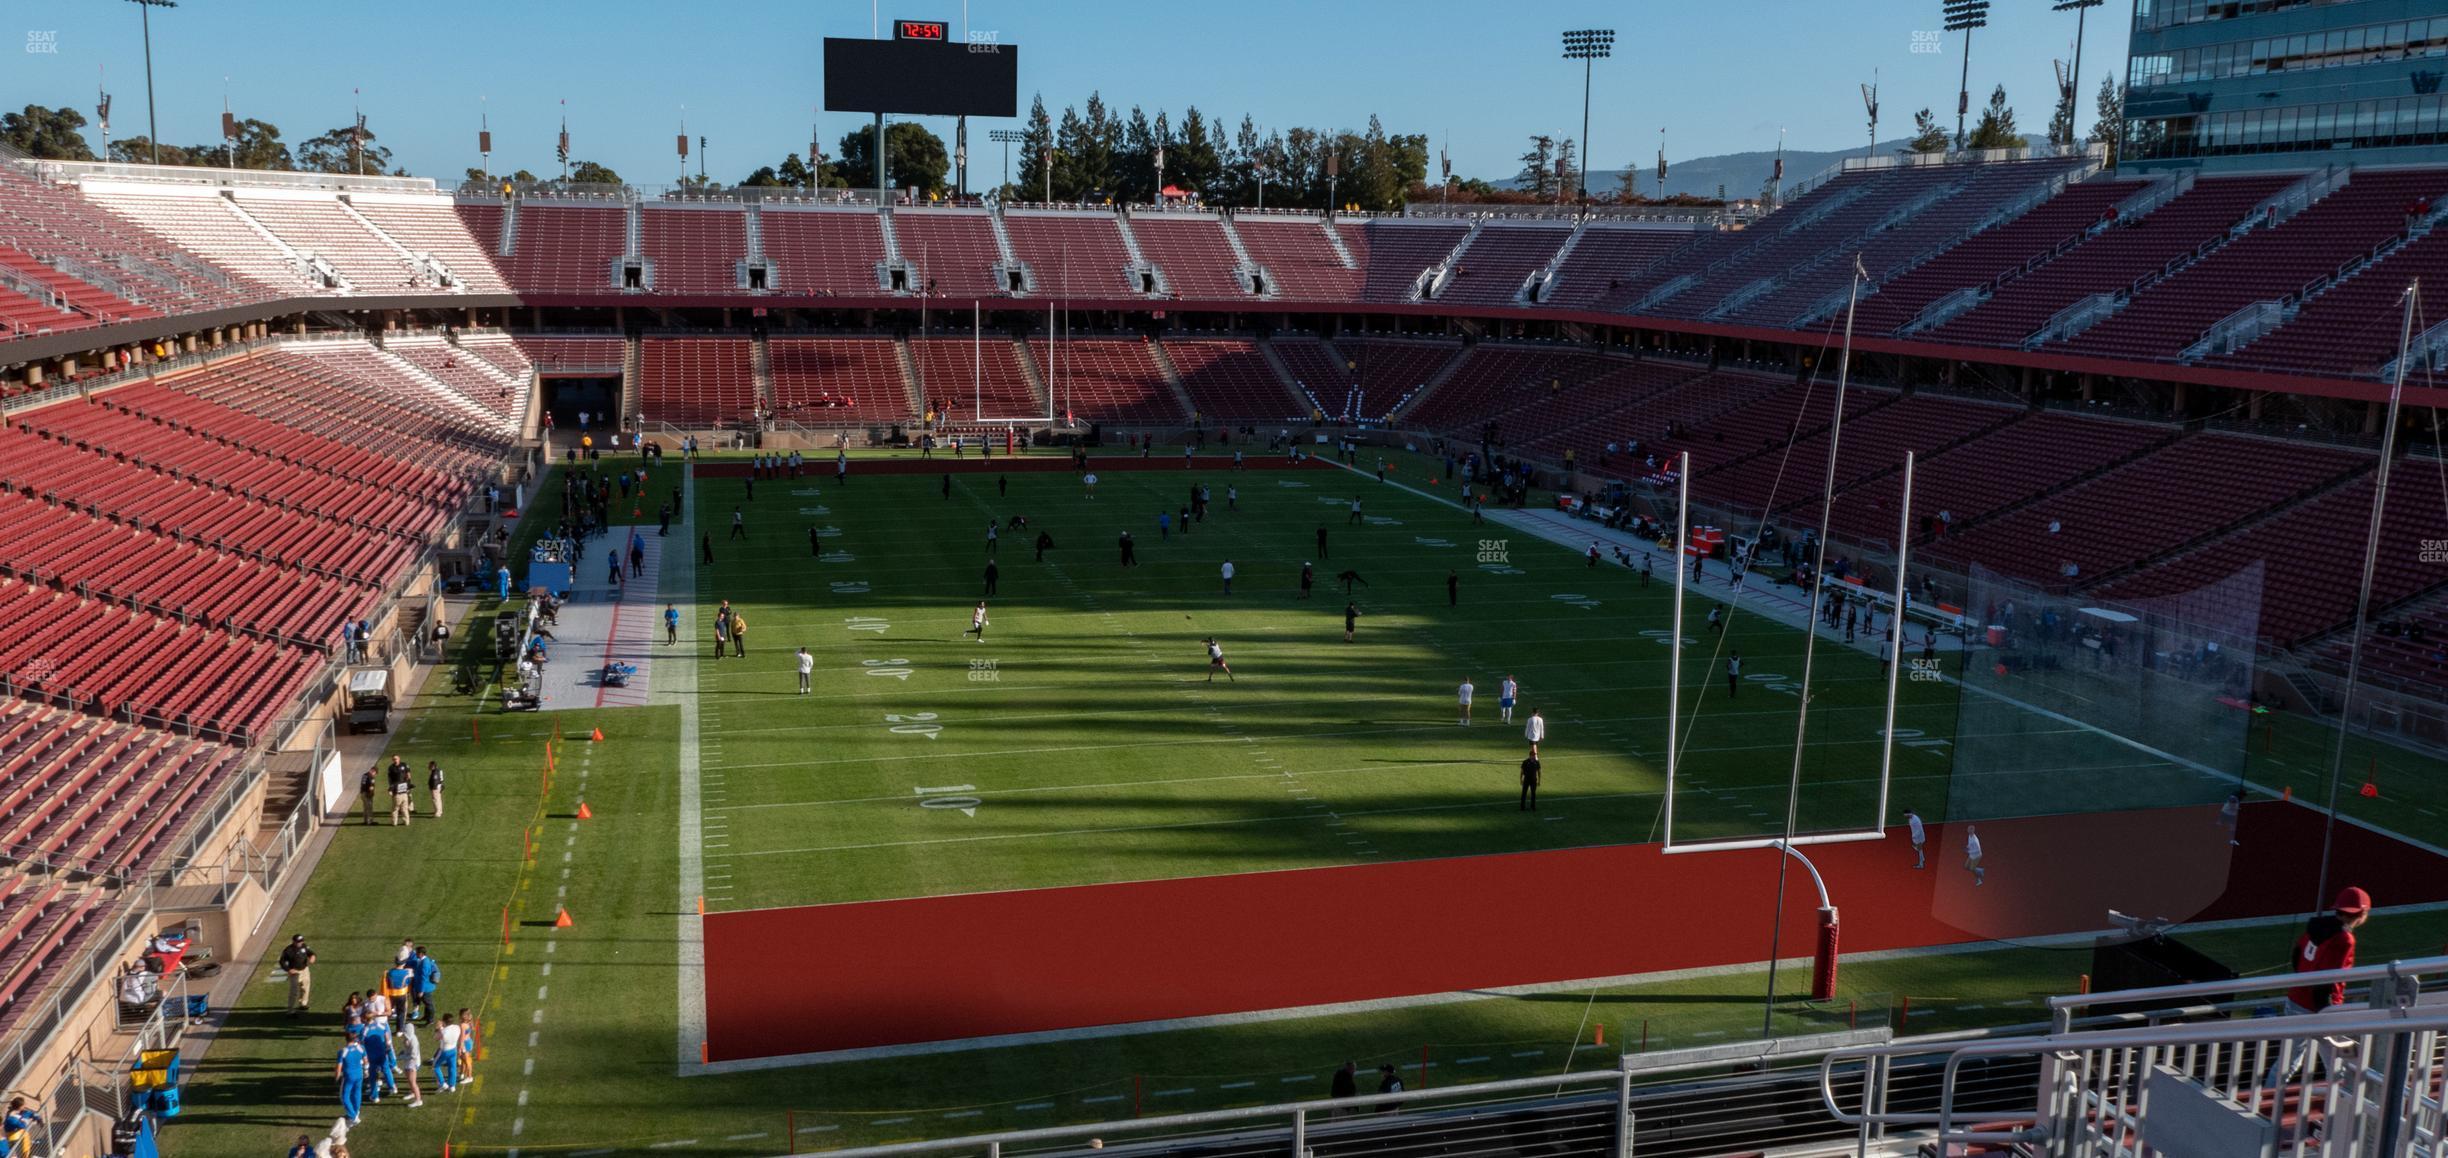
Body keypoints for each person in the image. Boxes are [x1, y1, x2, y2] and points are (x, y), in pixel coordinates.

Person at [2267, 887, 2373, 1088]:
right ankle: (2340, 1102)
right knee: (2336, 1062)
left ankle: (2268, 1099)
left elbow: (2297, 955)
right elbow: (2332, 978)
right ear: (2362, 914)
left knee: (2289, 1061)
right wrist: (2329, 1009)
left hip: (2296, 997)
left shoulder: (2316, 926)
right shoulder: (2344, 939)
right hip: (2320, 1008)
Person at [336, 1034, 368, 1125]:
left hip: (349, 1076)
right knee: (357, 1093)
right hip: (359, 1074)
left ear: (346, 1039)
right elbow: (366, 1060)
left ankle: (353, 1116)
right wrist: (366, 1071)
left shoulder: (342, 1052)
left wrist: (337, 1077)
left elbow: (339, 1067)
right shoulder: (361, 1048)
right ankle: (356, 1111)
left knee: (344, 1096)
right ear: (355, 1039)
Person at [281, 934, 317, 1015]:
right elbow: (282, 962)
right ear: (293, 941)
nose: (299, 943)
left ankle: (303, 1004)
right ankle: (290, 1010)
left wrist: (312, 957)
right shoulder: (288, 950)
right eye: (297, 942)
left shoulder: (304, 946)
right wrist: (289, 970)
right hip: (295, 972)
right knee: (293, 991)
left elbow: (311, 953)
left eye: (301, 941)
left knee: (305, 987)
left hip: (305, 970)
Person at [435, 1013, 463, 1093]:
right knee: (452, 1067)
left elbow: (436, 1037)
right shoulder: (457, 1027)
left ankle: (443, 1083)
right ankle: (452, 1086)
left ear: (444, 1021)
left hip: (444, 1051)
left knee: (435, 1066)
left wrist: (438, 1028)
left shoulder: (443, 1031)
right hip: (453, 1050)